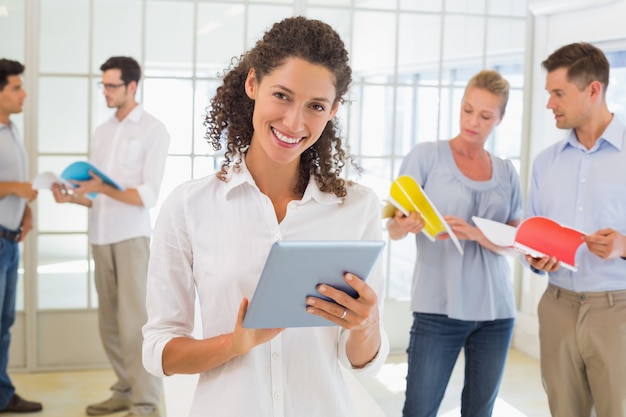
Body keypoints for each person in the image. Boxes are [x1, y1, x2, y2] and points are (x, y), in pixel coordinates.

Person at [141, 16, 389, 417]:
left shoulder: (357, 208)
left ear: (334, 110)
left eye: (316, 106)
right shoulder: (189, 206)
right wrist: (235, 344)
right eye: (282, 95)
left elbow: (361, 361)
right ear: (253, 84)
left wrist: (365, 325)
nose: (295, 122)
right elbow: (160, 351)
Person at [388, 69, 523, 417]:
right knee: (419, 410)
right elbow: (393, 227)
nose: (472, 121)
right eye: (467, 109)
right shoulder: (426, 157)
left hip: (496, 312)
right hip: (438, 308)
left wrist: (478, 233)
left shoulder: (507, 172)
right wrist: (407, 224)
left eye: (485, 115)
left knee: (480, 412)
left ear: (501, 118)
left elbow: (517, 243)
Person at [51, 56, 169, 417]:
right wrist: (72, 196)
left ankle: (146, 403)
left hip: (131, 238)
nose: (105, 91)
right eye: (102, 85)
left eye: (111, 86)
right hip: (100, 236)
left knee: (135, 326)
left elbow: (146, 195)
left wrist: (102, 186)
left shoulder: (153, 130)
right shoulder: (102, 132)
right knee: (109, 325)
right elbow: (97, 196)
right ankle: (125, 389)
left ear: (132, 87)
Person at [526, 42, 626, 417]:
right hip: (556, 306)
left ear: (593, 90)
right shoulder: (545, 163)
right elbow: (529, 234)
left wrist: (623, 245)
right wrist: (535, 259)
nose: (550, 103)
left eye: (558, 93)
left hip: (617, 310)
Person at [0, 59, 41, 414]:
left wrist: (24, 209)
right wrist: (15, 188)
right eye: (15, 87)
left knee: (4, 325)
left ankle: (2, 394)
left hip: (9, 241)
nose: (23, 93)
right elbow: (11, 184)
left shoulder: (11, 130)